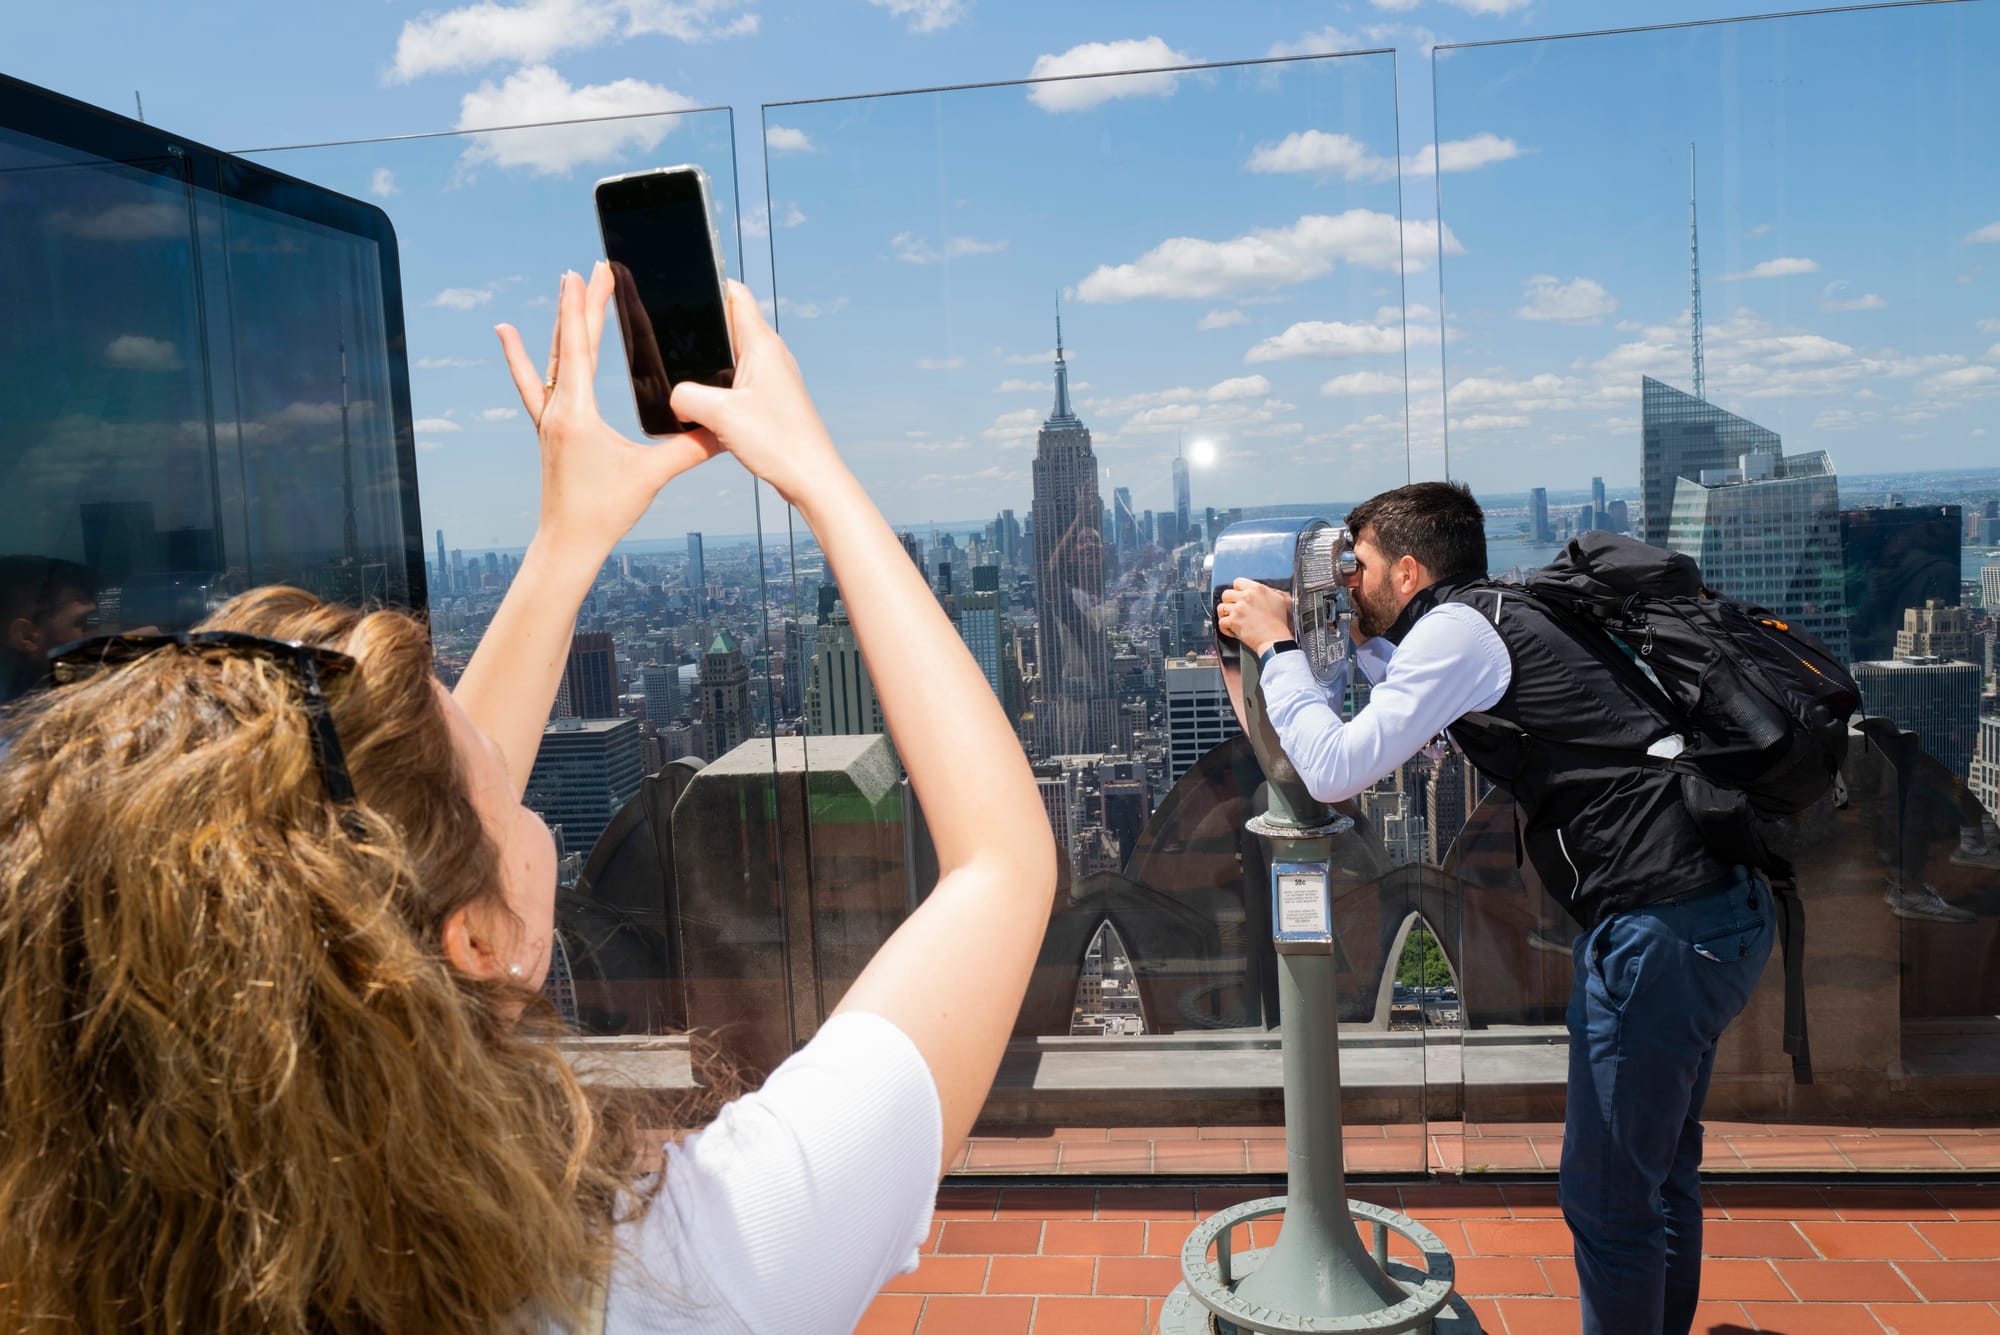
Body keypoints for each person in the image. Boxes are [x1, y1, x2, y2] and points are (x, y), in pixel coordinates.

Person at [0, 266, 1056, 1334]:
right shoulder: (678, 1278)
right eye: (496, 781)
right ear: (468, 942)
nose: (507, 763)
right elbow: (1000, 866)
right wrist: (820, 477)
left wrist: (563, 542)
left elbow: (393, 861)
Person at [1216, 481, 1772, 1335]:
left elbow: (1332, 768)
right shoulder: (1493, 616)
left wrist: (1280, 640)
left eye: (1354, 565)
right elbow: (1404, 693)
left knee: (1610, 1200)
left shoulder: (1458, 633)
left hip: (1660, 928)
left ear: (1406, 569)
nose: (1344, 581)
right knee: (1662, 1177)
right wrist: (1326, 635)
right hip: (1713, 910)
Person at [0, 554, 97, 708]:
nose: (96, 634)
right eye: (82, 623)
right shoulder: (23, 721)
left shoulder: (25, 693)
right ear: (27, 636)